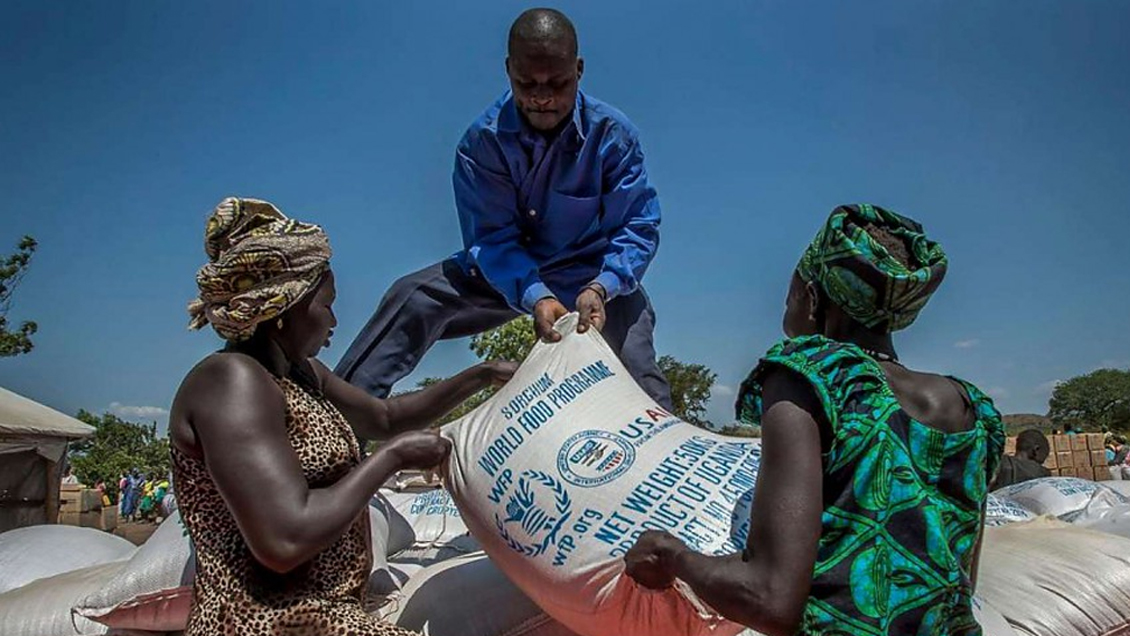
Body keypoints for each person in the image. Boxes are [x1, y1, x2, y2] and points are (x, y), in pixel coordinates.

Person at [624, 204, 1005, 635]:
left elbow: (770, 598)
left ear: (812, 296)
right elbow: (956, 580)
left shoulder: (813, 375)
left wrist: (672, 557)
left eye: (792, 288)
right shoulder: (972, 409)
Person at [171, 197, 515, 635]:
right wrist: (390, 459)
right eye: (326, 303)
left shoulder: (301, 374)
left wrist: (480, 375)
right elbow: (284, 539)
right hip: (265, 623)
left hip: (325, 614)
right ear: (284, 307)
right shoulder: (232, 382)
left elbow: (386, 418)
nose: (334, 320)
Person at [334, 8, 672, 410]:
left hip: (593, 279)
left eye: (557, 83)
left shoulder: (612, 135)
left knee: (639, 377)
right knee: (414, 295)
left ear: (578, 70)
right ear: (508, 70)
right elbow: (492, 240)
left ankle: (668, 446)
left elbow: (637, 225)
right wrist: (536, 296)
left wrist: (604, 286)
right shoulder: (482, 143)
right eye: (526, 82)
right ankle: (338, 421)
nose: (542, 96)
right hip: (503, 273)